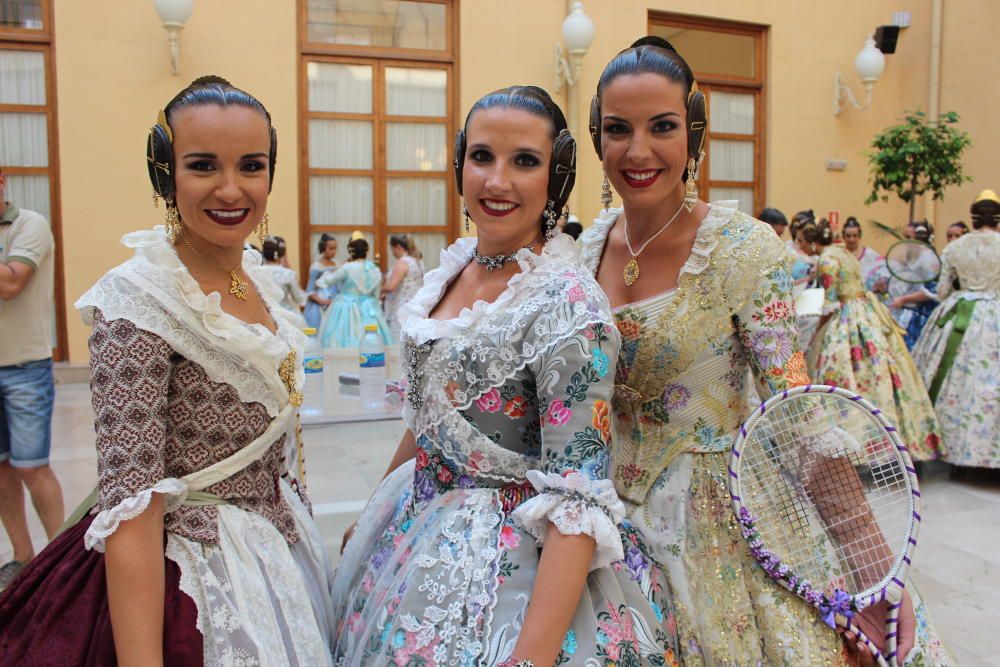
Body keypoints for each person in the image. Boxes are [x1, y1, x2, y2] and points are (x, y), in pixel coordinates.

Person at [580, 36, 952, 665]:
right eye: (618, 129)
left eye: (662, 127)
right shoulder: (584, 249)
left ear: (694, 139)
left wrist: (869, 565)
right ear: (596, 139)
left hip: (715, 525)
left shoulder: (741, 249)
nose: (637, 150)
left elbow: (797, 413)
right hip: (599, 523)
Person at [332, 85, 678, 666]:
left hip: (512, 565)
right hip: (411, 533)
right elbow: (428, 415)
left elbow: (577, 499)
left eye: (525, 161)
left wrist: (531, 657)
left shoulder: (568, 305)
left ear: (555, 176)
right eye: (482, 157)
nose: (497, 181)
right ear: (460, 162)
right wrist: (372, 511)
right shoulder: (451, 269)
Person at [0, 77, 336, 665]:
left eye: (251, 166)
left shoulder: (252, 279)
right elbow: (132, 501)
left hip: (274, 555)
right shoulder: (138, 300)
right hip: (188, 582)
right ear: (165, 173)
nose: (231, 189)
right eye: (203, 165)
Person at [806, 220, 942, 461]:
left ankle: (855, 450)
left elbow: (830, 302)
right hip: (867, 312)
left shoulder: (826, 259)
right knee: (884, 372)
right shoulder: (844, 252)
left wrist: (817, 332)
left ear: (813, 243)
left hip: (847, 316)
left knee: (843, 374)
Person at [0, 166, 64, 591]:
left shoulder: (29, 226)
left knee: (31, 467)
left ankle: (60, 560)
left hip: (24, 367)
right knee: (2, 469)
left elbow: (11, 283)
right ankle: (22, 558)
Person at [912, 189, 1000, 468]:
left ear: (973, 219)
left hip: (958, 313)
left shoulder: (954, 248)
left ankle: (948, 444)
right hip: (994, 311)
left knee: (948, 377)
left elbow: (942, 291)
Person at [316, 234, 391, 348]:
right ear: (366, 251)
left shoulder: (347, 267)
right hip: (370, 307)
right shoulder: (374, 269)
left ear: (351, 252)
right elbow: (376, 295)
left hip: (346, 307)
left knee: (342, 338)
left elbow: (327, 281)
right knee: (374, 342)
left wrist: (337, 268)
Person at [888, 221, 938, 349]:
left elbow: (932, 291)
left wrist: (904, 299)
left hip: (918, 314)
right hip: (906, 310)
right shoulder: (914, 256)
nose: (906, 242)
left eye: (910, 238)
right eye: (905, 237)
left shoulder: (927, 259)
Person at [381, 233, 425, 340]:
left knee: (398, 340)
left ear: (398, 247)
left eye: (392, 249)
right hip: (416, 306)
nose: (392, 253)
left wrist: (377, 289)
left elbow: (391, 286)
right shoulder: (418, 261)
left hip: (401, 308)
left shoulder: (402, 263)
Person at [259, 234, 308, 319]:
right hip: (286, 315)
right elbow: (299, 298)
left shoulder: (256, 271)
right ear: (282, 254)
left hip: (264, 315)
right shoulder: (287, 274)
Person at [304, 232, 338, 329]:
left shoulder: (336, 264)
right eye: (331, 248)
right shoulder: (316, 266)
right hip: (320, 304)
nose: (334, 251)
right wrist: (322, 301)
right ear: (323, 248)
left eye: (335, 248)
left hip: (334, 301)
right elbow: (310, 290)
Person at [842, 217, 883, 289]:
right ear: (843, 236)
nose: (852, 239)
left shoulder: (870, 254)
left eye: (855, 235)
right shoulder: (839, 255)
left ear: (859, 235)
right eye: (848, 236)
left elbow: (882, 268)